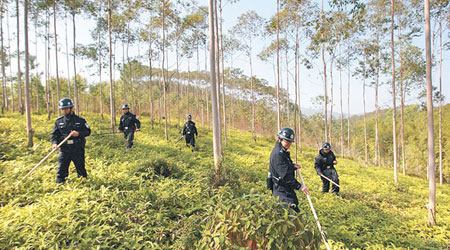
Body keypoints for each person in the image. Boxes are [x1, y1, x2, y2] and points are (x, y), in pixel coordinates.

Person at [268, 127, 309, 213]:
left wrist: (293, 166)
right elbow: (285, 176)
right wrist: (300, 186)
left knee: (295, 209)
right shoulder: (278, 154)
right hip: (281, 190)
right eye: (287, 141)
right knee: (289, 213)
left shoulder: (283, 152)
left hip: (287, 188)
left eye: (290, 142)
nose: (289, 144)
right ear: (280, 139)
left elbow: (284, 166)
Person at [51, 98, 91, 184]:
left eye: (66, 108)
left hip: (77, 149)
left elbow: (88, 131)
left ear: (71, 108)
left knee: (80, 168)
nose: (64, 110)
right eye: (62, 109)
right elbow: (54, 135)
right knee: (61, 169)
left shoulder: (80, 120)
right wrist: (54, 144)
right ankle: (60, 185)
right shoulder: (59, 121)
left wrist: (79, 134)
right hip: (64, 149)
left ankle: (85, 185)